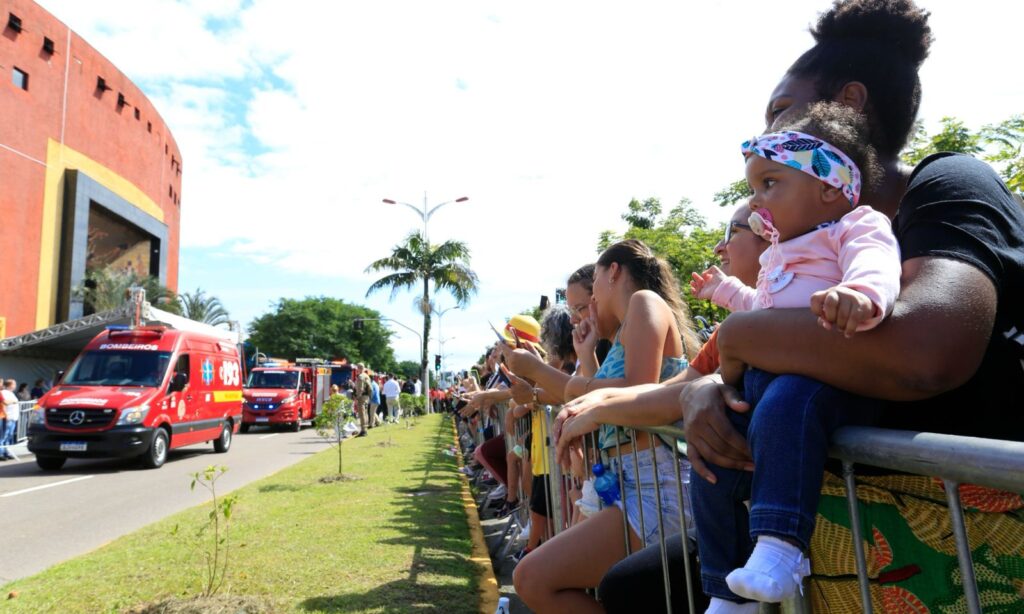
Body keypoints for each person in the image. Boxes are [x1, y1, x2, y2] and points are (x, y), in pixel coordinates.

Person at [687, 104, 902, 611]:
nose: (756, 200)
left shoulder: (854, 226)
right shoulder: (779, 251)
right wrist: (726, 293)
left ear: (828, 188)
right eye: (754, 187)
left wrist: (860, 294)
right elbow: (762, 309)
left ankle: (781, 549)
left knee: (788, 406)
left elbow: (877, 263)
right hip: (762, 380)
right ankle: (723, 589)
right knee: (710, 458)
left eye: (769, 184)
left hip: (820, 379)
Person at [593, 202, 769, 614]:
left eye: (733, 232)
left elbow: (654, 389)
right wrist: (589, 403)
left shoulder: (647, 305)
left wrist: (589, 401)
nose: (720, 247)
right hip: (728, 510)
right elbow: (680, 387)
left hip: (734, 509)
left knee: (620, 589)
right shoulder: (732, 328)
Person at [512, 239, 701, 613]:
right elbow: (615, 403)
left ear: (612, 272)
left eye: (592, 286)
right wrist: (586, 357)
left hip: (654, 487)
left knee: (532, 579)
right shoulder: (620, 333)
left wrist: (536, 371)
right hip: (625, 482)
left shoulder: (645, 302)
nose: (588, 303)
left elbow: (638, 391)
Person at [1, 379, 20, 461]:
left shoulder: (10, 393)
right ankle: (1, 453)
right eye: (14, 384)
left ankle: (7, 452)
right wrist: (7, 415)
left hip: (13, 417)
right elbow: (4, 403)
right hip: (8, 416)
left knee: (9, 436)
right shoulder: (4, 392)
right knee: (3, 436)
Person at [351, 364, 371, 437]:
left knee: (361, 413)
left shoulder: (360, 376)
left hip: (361, 397)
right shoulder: (366, 376)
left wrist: (357, 397)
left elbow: (360, 389)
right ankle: (365, 429)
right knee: (365, 413)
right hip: (366, 396)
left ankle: (363, 431)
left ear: (358, 368)